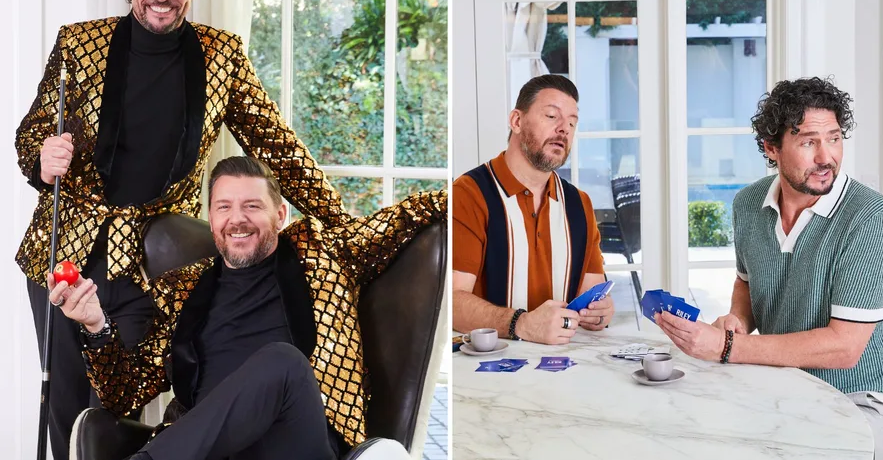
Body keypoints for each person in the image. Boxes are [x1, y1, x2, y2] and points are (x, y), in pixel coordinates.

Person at [16, 0, 354, 459]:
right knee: (65, 401)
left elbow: (277, 147)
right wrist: (42, 158)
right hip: (68, 250)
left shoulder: (221, 54)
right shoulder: (79, 43)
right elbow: (33, 131)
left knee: (118, 399)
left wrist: (339, 224)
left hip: (155, 257)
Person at [50, 156, 446, 459]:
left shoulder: (324, 254)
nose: (236, 219)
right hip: (208, 450)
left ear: (281, 214)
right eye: (223, 207)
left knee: (283, 364)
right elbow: (125, 394)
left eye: (252, 206)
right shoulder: (182, 288)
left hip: (294, 443)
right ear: (210, 216)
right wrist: (97, 325)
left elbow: (416, 210)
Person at [655, 77, 883, 457]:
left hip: (865, 400)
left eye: (834, 138)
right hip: (784, 386)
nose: (826, 157)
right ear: (772, 148)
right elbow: (747, 281)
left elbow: (844, 349)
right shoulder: (748, 204)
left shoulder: (870, 217)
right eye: (808, 142)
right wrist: (737, 319)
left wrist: (727, 346)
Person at [452, 75, 614, 345]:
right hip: (487, 372)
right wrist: (522, 324)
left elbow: (593, 293)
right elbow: (452, 302)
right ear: (516, 121)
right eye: (552, 116)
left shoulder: (579, 203)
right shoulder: (469, 194)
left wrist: (600, 313)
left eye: (572, 122)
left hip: (565, 365)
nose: (564, 129)